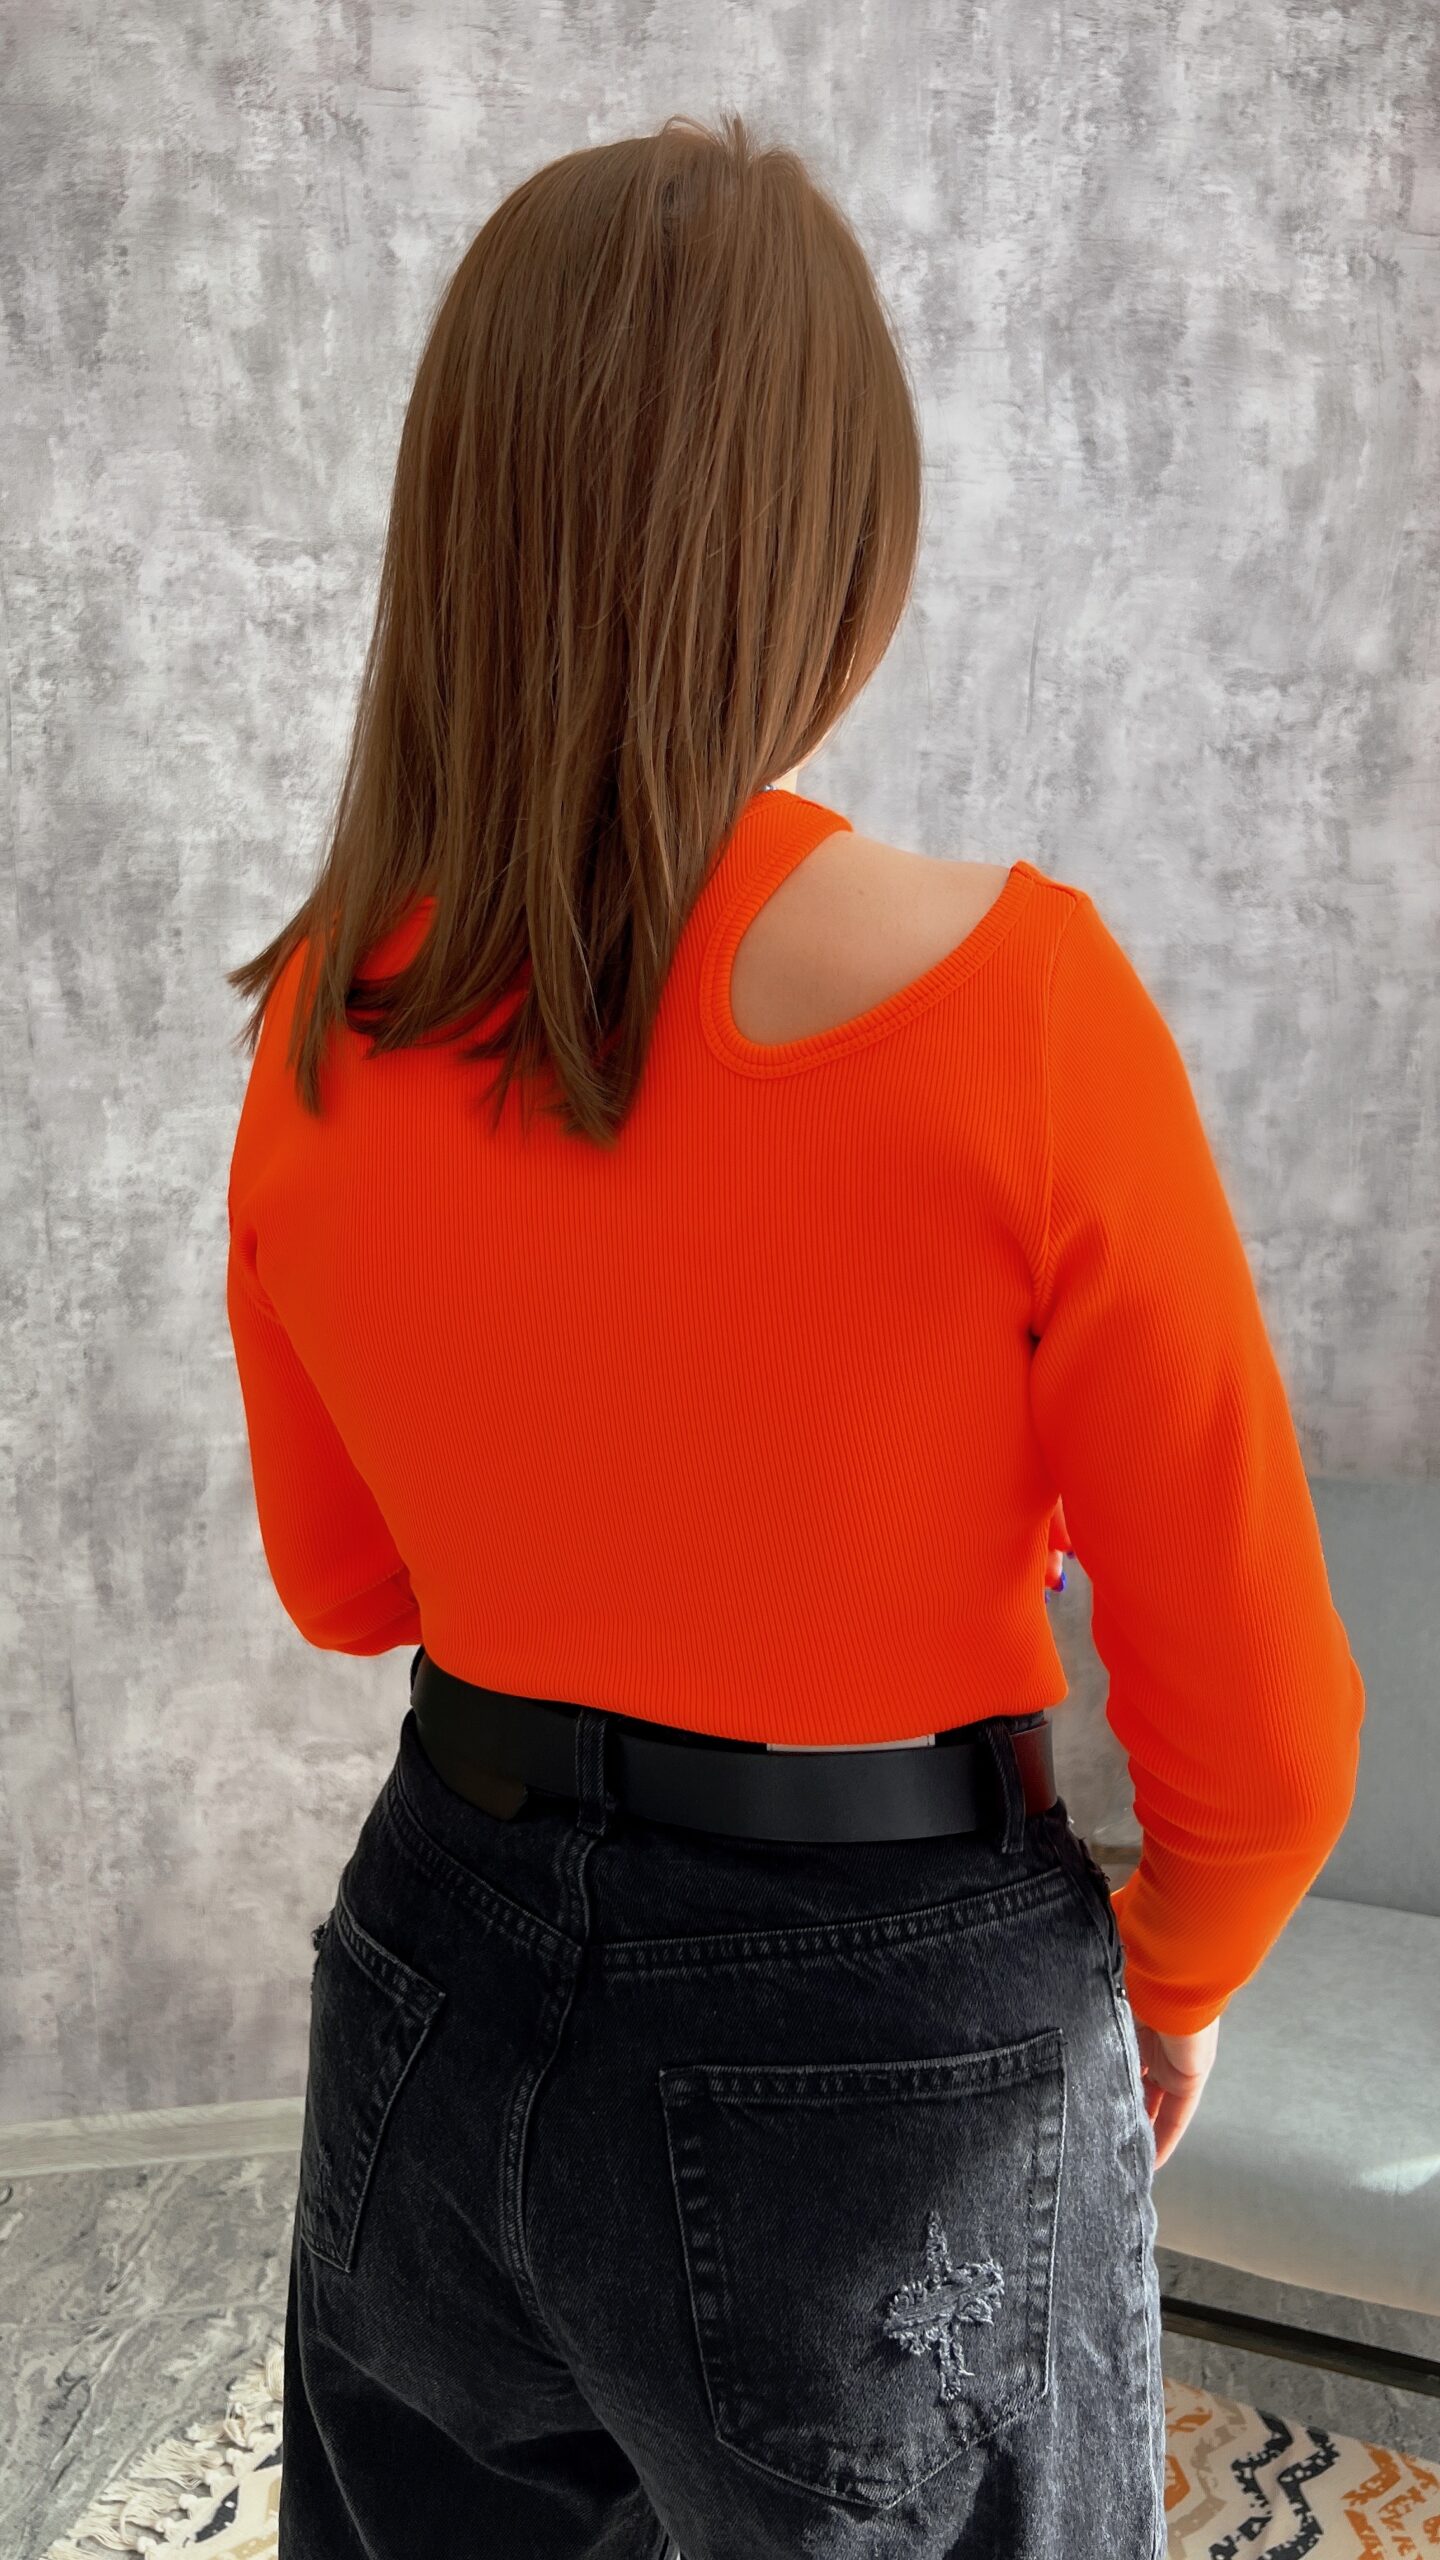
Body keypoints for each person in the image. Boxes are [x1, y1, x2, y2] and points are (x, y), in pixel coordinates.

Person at [225, 109, 1365, 2560]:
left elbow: (346, 1582)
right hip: (880, 2040)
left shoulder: (323, 1009)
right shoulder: (1019, 1008)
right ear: (835, 538)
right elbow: (1267, 1742)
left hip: (435, 1974)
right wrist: (1162, 1986)